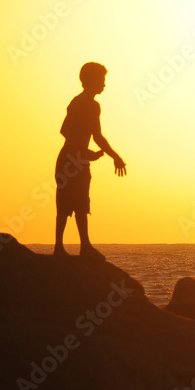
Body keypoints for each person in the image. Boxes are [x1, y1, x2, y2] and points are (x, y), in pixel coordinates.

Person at [53, 62, 126, 259]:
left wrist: (86, 153)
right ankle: (65, 247)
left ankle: (79, 246)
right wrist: (113, 156)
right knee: (71, 202)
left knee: (78, 202)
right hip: (74, 158)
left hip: (72, 157)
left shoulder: (77, 101)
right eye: (102, 80)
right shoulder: (89, 105)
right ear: (91, 80)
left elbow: (67, 131)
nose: (104, 85)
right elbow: (95, 136)